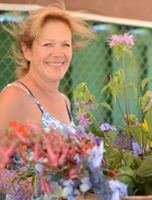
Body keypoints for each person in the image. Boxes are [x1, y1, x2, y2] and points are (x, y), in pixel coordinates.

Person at [0, 0, 95, 199]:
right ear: (27, 50)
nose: (58, 53)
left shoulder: (64, 101)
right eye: (47, 44)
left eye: (65, 44)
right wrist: (43, 187)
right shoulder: (15, 97)